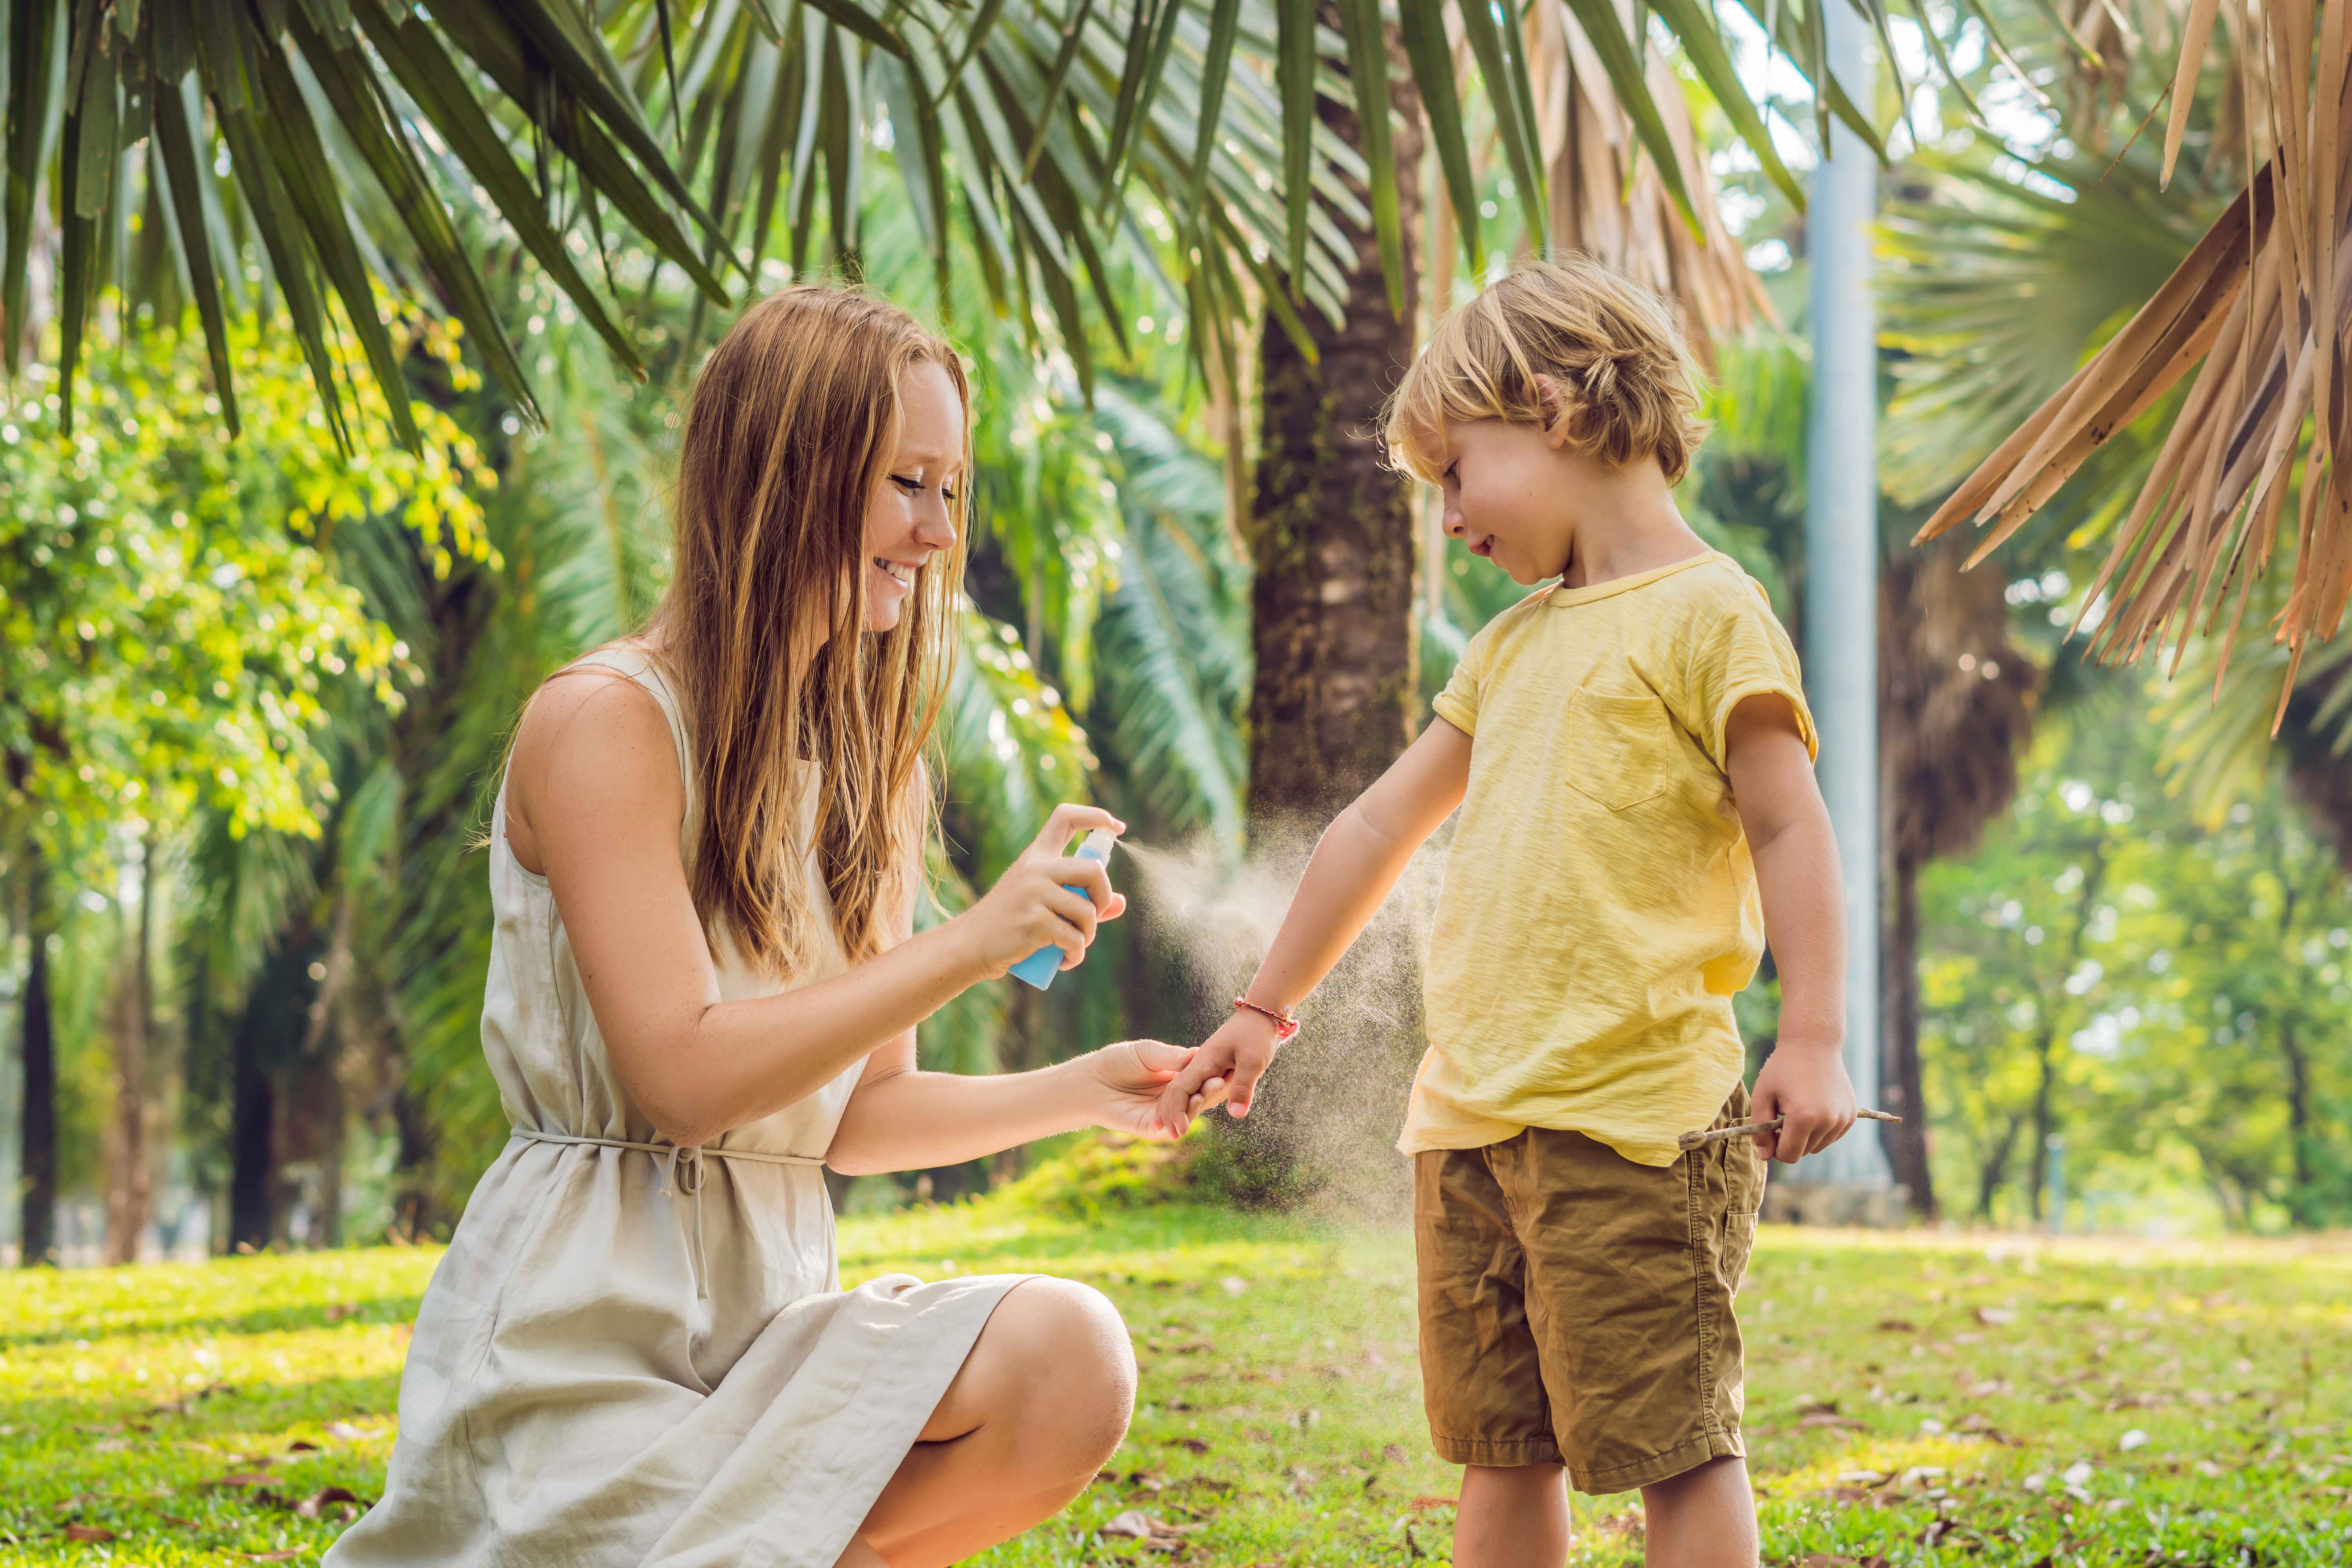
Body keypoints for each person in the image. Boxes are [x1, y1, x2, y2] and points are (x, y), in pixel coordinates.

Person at [325, 285, 1190, 1568]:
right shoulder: (605, 724)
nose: (939, 533)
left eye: (952, 492)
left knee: (1073, 1358)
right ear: (790, 473)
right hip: (583, 1344)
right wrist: (969, 944)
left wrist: (1086, 1092)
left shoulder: (867, 766)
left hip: (768, 1336)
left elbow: (853, 1120)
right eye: (909, 483)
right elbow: (682, 1080)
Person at [1155, 256, 1858, 1568]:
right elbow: (1374, 827)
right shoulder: (1510, 646)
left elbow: (1787, 826)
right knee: (1498, 1448)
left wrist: (1811, 1034)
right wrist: (1265, 1005)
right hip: (1471, 1119)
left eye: (1455, 474)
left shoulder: (1713, 615)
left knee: (1677, 1444)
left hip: (1636, 1121)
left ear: (1558, 408)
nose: (1450, 520)